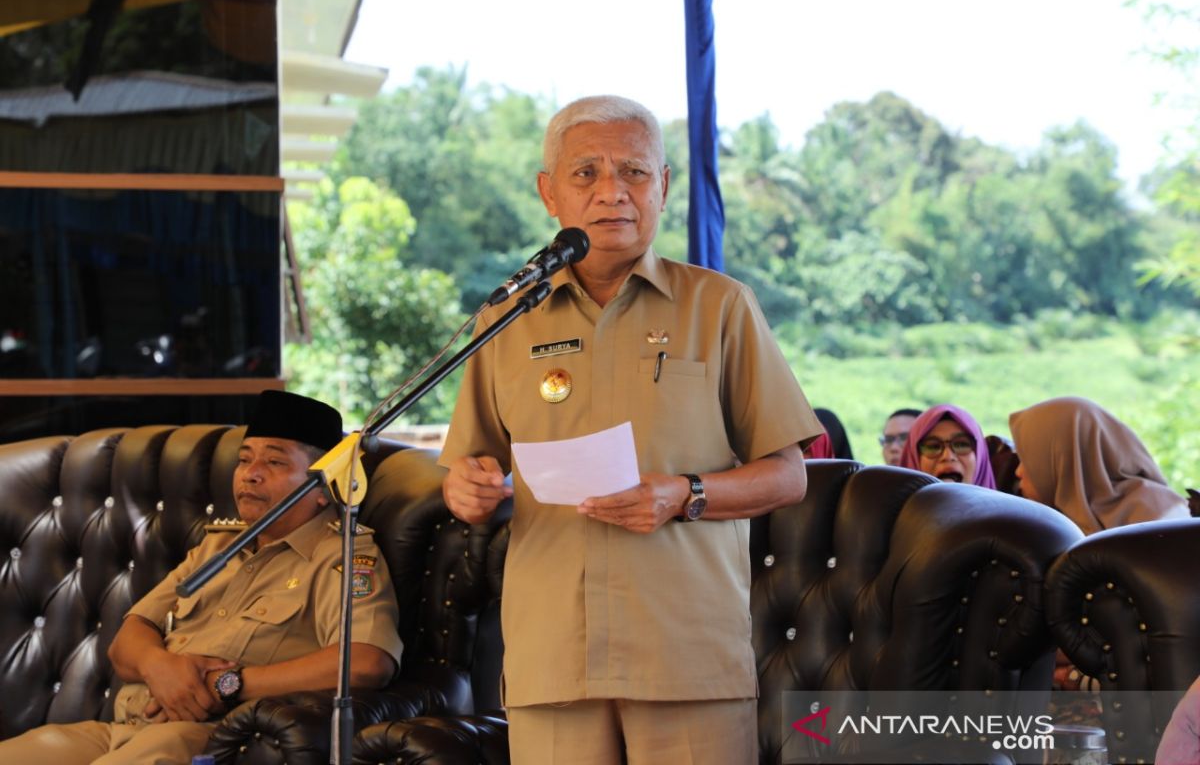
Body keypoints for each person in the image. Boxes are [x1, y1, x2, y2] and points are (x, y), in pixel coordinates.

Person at [438, 95, 823, 764]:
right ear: (548, 192)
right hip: (554, 657)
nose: (612, 192)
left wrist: (684, 494)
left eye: (635, 173)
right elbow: (467, 472)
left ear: (665, 186)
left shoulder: (720, 307)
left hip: (685, 657)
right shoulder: (505, 321)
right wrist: (466, 491)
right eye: (585, 173)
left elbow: (789, 476)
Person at [0, 390, 403, 764]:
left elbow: (366, 663)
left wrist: (228, 685)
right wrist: (160, 666)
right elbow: (127, 642)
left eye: (275, 462)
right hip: (118, 729)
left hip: (208, 737)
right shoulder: (217, 546)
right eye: (245, 459)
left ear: (323, 487)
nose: (251, 474)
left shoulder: (343, 556)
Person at [1009, 396, 1189, 535]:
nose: (1018, 471)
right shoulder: (1049, 522)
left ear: (1064, 462)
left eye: (1028, 460)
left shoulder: (1161, 518)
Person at [898, 403, 996, 489]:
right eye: (933, 446)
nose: (948, 457)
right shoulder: (888, 510)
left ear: (980, 458)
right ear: (914, 458)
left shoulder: (1005, 510)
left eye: (961, 445)